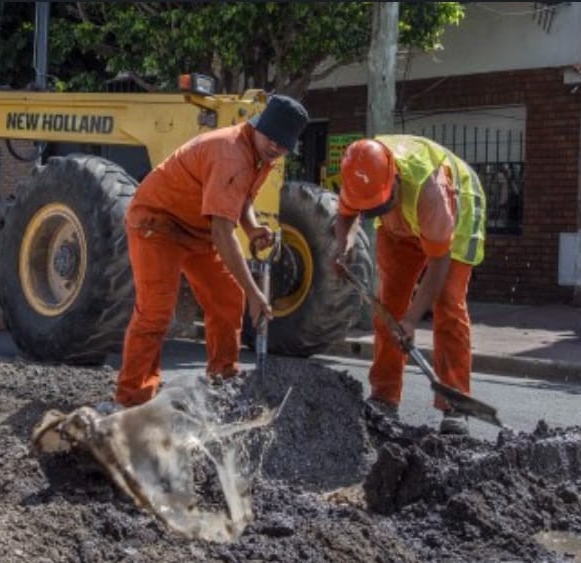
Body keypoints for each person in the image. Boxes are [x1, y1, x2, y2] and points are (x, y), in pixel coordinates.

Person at [112, 95, 309, 408]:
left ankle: (222, 381)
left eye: (282, 145)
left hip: (196, 228)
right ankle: (130, 399)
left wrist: (252, 228)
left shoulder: (261, 155)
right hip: (158, 222)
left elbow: (241, 198)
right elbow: (221, 232)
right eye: (271, 139)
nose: (275, 147)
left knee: (227, 297)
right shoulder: (231, 153)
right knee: (156, 310)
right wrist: (255, 292)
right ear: (258, 127)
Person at [333, 135, 486, 435]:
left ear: (396, 179)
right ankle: (384, 396)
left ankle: (455, 404)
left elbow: (438, 263)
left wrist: (412, 320)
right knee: (388, 306)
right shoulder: (360, 174)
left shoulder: (431, 191)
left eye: (383, 203)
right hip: (401, 226)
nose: (378, 210)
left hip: (458, 213)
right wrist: (343, 247)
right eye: (373, 209)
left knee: (448, 303)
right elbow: (345, 216)